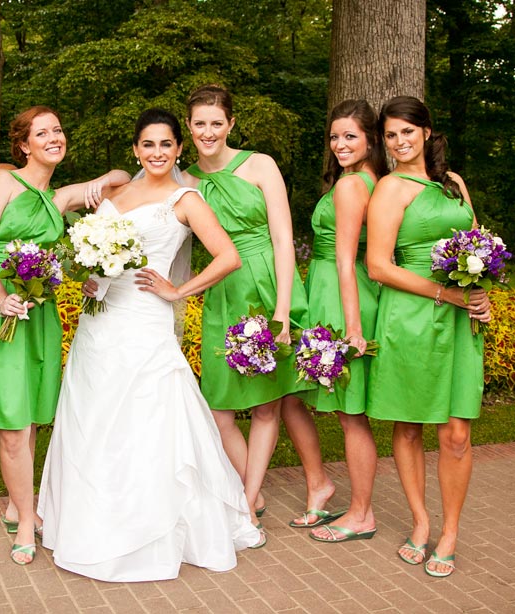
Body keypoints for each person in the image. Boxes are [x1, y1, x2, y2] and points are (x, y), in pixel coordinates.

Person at [37, 108, 261, 582]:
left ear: (179, 149)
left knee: (148, 416)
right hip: (100, 321)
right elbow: (91, 245)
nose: (157, 153)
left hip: (145, 320)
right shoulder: (116, 191)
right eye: (148, 145)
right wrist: (90, 278)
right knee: (94, 417)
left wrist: (178, 291)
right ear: (136, 150)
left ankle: (154, 528)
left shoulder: (186, 199)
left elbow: (229, 256)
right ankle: (91, 521)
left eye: (166, 145)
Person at [0, 106, 129, 565]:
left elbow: (122, 176)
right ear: (23, 144)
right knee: (14, 423)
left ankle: (18, 506)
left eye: (58, 129)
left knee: (32, 415)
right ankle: (27, 524)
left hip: (40, 309)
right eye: (43, 132)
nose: (54, 137)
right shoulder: (3, 183)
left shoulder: (56, 198)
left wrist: (97, 185)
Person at [365, 96, 491, 578]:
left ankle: (451, 531)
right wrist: (448, 295)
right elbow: (379, 266)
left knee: (456, 433)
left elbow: (477, 243)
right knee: (410, 424)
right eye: (391, 135)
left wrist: (481, 288)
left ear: (427, 131)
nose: (399, 142)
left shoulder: (453, 183)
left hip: (460, 316)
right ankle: (420, 521)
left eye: (407, 132)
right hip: (413, 314)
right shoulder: (390, 189)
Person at [182, 85, 313, 540]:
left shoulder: (260, 165)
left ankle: (248, 500)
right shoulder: (186, 181)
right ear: (189, 127)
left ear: (231, 124)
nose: (208, 131)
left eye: (217, 123)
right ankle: (249, 493)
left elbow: (282, 238)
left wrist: (281, 310)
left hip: (267, 284)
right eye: (200, 123)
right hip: (223, 292)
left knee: (265, 405)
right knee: (219, 408)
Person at [280, 100, 388, 542]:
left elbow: (345, 262)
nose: (339, 144)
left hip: (341, 296)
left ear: (370, 140)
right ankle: (322, 485)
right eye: (334, 136)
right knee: (303, 397)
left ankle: (361, 513)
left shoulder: (351, 188)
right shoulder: (367, 181)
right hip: (336, 290)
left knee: (350, 413)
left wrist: (353, 329)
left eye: (350, 136)